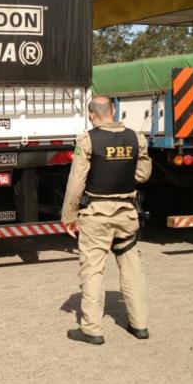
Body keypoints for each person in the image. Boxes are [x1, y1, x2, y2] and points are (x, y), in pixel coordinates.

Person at [61, 96, 152, 345]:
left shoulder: (88, 140)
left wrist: (68, 216)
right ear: (114, 111)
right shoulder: (137, 138)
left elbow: (76, 182)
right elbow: (143, 175)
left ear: (91, 115)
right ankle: (140, 325)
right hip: (127, 213)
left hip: (96, 214)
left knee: (93, 270)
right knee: (132, 269)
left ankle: (92, 329)